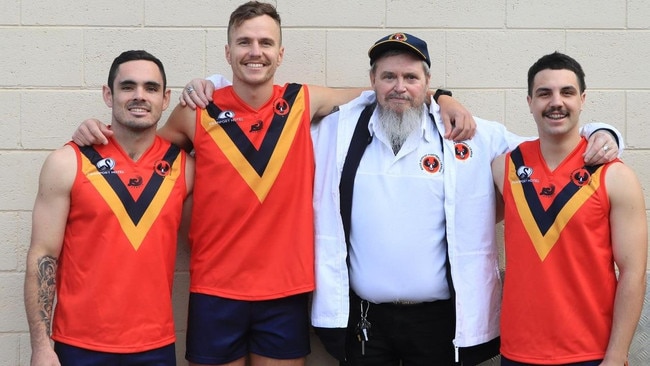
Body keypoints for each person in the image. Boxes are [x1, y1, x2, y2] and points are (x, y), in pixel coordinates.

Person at [69, 3, 477, 366]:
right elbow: (142, 147)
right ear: (228, 52)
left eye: (266, 42)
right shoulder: (197, 113)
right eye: (244, 42)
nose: (255, 51)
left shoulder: (302, 101)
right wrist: (97, 129)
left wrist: (442, 96)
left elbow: (384, 90)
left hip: (286, 289)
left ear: (280, 54)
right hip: (215, 286)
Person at [305, 34, 623, 365]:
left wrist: (603, 133)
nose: (399, 87)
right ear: (373, 81)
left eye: (411, 77)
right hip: (364, 320)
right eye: (389, 76)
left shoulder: (469, 134)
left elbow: (549, 142)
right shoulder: (337, 132)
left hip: (439, 323)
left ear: (427, 83)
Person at [24, 50, 194, 366]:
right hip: (78, 346)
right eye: (128, 86)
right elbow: (42, 256)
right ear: (108, 94)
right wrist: (41, 347)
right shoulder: (68, 162)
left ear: (166, 97)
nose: (139, 96)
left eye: (151, 88)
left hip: (155, 347)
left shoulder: (184, 168)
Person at [492, 52, 647, 366]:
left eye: (567, 92)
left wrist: (617, 354)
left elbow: (633, 273)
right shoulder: (503, 167)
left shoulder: (615, 175)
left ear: (583, 99)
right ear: (529, 101)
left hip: (591, 352)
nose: (556, 102)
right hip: (517, 350)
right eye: (544, 93)